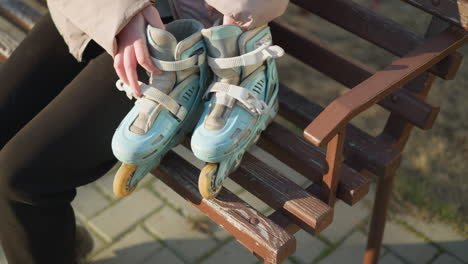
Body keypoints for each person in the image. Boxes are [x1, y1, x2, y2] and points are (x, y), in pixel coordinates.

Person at [0, 0, 288, 263]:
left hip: (183, 42)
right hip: (91, 12)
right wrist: (121, 13)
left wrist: (237, 13)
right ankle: (56, 241)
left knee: (18, 177)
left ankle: (54, 244)